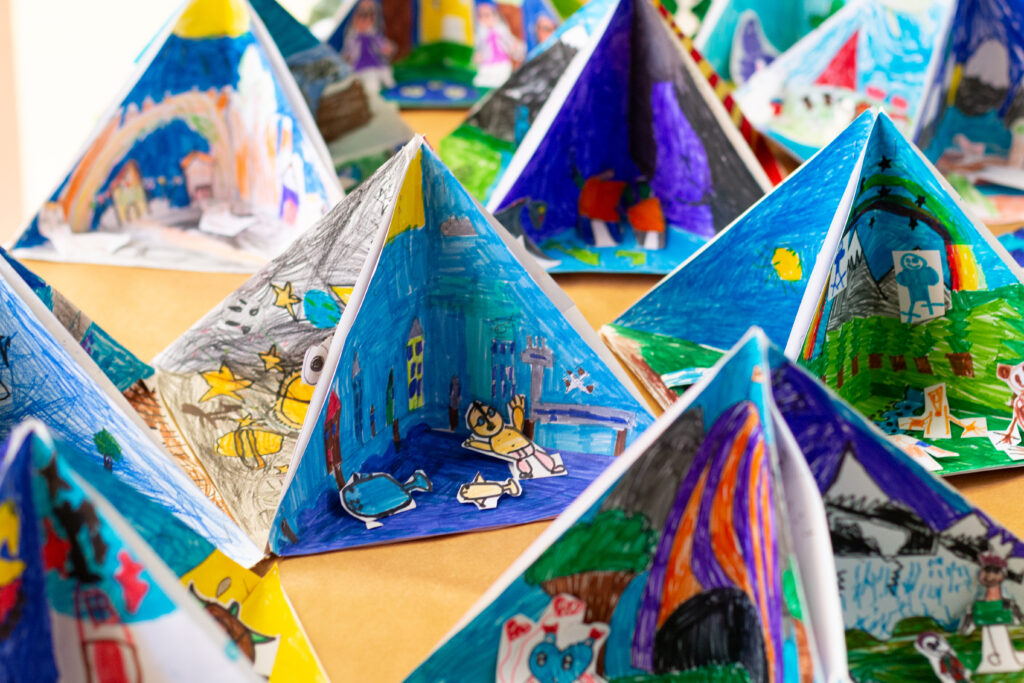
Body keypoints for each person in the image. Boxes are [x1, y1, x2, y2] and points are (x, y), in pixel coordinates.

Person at [341, 0, 396, 92]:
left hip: (376, 63)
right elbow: (348, 51)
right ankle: (374, 91)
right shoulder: (353, 37)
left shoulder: (373, 35)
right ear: (355, 19)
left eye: (368, 19)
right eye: (360, 19)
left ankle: (390, 88)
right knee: (371, 80)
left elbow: (381, 44)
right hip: (361, 66)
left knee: (386, 73)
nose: (363, 23)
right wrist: (347, 57)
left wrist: (386, 49)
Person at [473, 2, 524, 89]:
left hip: (502, 64)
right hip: (487, 65)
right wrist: (477, 56)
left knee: (503, 81)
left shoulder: (502, 31)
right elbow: (476, 49)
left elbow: (511, 43)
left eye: (487, 15)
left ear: (495, 16)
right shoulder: (479, 35)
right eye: (481, 16)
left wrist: (515, 48)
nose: (485, 19)